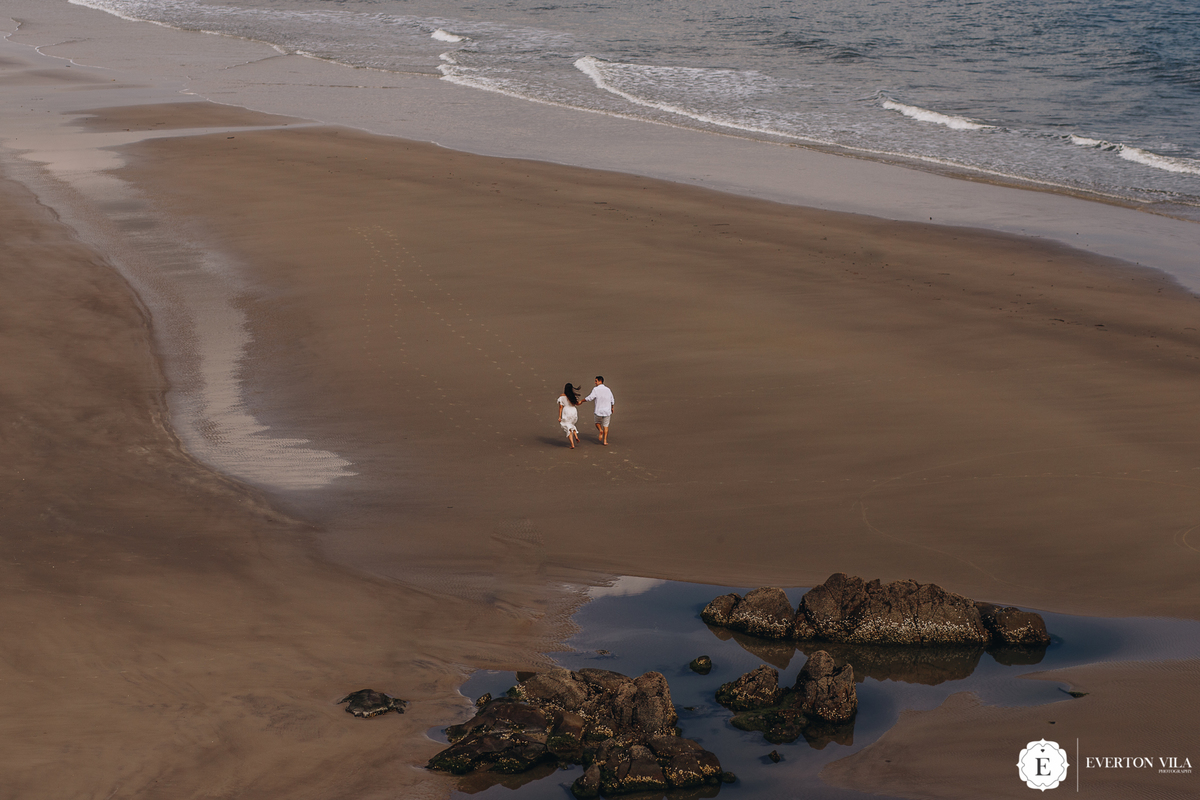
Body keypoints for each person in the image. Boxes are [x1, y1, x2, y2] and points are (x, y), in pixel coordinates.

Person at [585, 376, 615, 445]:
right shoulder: (608, 389)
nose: (595, 382)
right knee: (606, 425)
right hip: (607, 410)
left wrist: (582, 401)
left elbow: (590, 398)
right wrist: (612, 407)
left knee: (597, 423)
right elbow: (612, 400)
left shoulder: (595, 389)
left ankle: (600, 430)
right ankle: (605, 441)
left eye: (596, 381)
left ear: (600, 381)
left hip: (598, 410)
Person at [558, 383, 583, 449]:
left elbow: (560, 407)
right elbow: (577, 403)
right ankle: (576, 436)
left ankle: (572, 444)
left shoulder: (562, 397)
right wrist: (582, 401)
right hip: (573, 411)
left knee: (567, 426)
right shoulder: (573, 396)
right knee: (571, 424)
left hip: (567, 411)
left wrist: (559, 417)